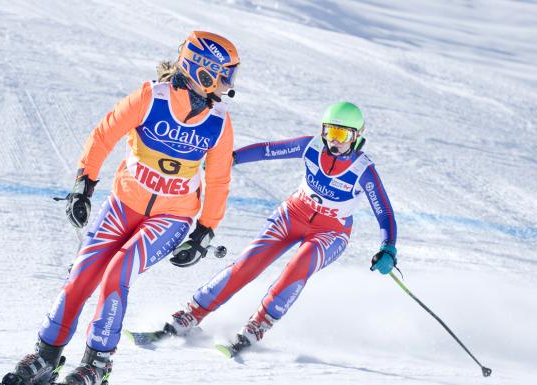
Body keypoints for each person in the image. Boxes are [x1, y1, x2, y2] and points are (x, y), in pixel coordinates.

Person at [0, 31, 241, 385]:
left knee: (118, 270)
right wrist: (84, 184)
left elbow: (219, 179)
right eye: (224, 74)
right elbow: (104, 134)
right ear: (201, 69)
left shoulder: (218, 122)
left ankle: (97, 364)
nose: (227, 84)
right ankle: (46, 357)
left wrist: (204, 231)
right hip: (123, 206)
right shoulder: (150, 98)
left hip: (171, 218)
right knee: (83, 274)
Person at [161, 101, 398, 356]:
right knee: (248, 264)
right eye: (330, 132)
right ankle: (191, 314)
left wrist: (388, 248)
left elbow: (384, 212)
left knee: (297, 268)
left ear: (356, 136)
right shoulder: (311, 146)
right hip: (292, 214)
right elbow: (269, 150)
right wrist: (232, 159)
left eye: (342, 135)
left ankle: (259, 324)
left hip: (330, 233)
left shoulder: (363, 170)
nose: (334, 141)